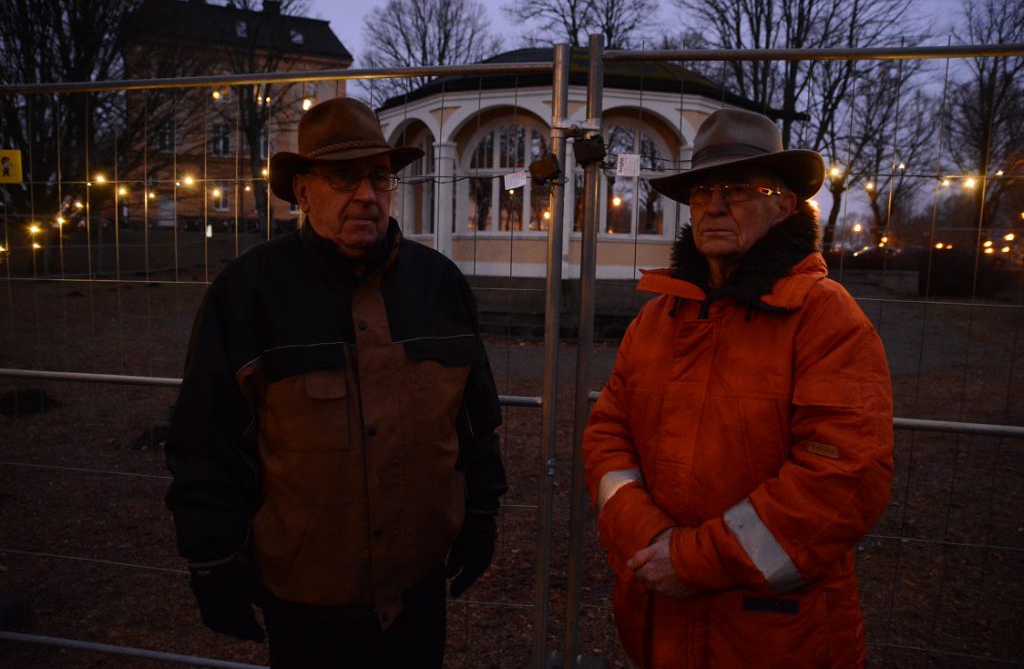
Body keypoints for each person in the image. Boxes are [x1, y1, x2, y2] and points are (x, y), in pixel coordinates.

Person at [165, 97, 507, 668]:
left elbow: (476, 420)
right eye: (343, 177)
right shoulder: (248, 294)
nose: (367, 195)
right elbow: (206, 441)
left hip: (417, 591)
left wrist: (481, 517)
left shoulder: (438, 286)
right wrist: (213, 561)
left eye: (379, 177)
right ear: (302, 192)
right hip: (308, 604)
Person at [582, 107, 893, 668]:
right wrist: (649, 537)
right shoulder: (657, 320)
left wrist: (693, 561)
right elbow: (607, 436)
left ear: (786, 205)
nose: (715, 205)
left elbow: (842, 479)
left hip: (774, 639)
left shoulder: (826, 320)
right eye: (702, 192)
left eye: (739, 189)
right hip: (659, 622)